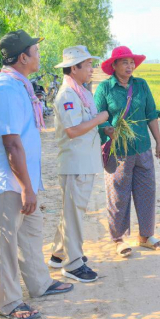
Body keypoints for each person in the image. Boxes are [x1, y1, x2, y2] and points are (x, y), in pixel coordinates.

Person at [0, 30, 73, 319]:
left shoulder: (20, 85)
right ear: (22, 57)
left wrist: (30, 185)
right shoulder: (6, 89)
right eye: (36, 51)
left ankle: (39, 284)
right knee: (5, 240)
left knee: (30, 232)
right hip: (10, 181)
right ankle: (9, 302)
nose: (39, 55)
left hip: (22, 179)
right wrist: (26, 187)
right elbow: (11, 144)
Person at [94, 46, 160, 256]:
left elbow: (151, 114)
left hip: (142, 148)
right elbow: (97, 117)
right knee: (118, 196)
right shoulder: (105, 88)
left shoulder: (141, 85)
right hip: (118, 152)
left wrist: (159, 142)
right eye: (124, 62)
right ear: (114, 65)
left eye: (132, 62)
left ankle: (145, 236)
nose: (130, 66)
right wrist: (107, 129)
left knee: (147, 192)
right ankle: (119, 239)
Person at [49, 46, 108, 283]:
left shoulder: (80, 92)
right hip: (76, 164)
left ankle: (58, 254)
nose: (92, 69)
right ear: (74, 68)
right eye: (88, 65)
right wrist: (100, 118)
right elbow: (72, 130)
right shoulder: (68, 95)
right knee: (74, 214)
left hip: (83, 162)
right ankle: (73, 264)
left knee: (71, 212)